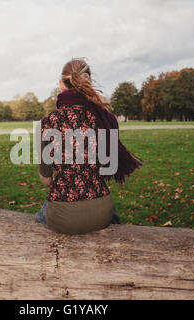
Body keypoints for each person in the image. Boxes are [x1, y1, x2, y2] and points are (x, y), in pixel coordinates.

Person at [35, 58, 143, 235]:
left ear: (61, 84)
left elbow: (46, 180)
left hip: (63, 218)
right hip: (102, 212)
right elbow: (108, 168)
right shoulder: (102, 118)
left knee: (44, 210)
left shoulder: (47, 122)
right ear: (88, 82)